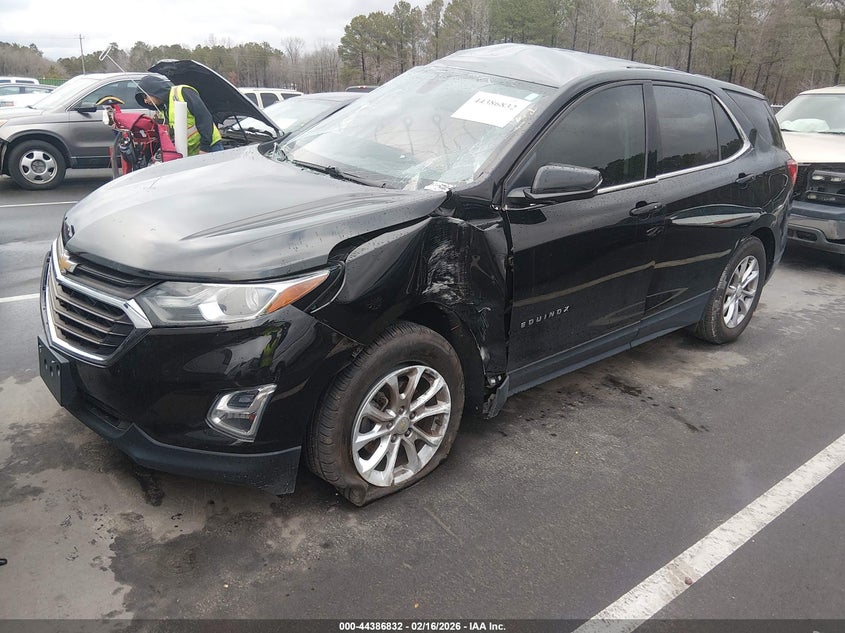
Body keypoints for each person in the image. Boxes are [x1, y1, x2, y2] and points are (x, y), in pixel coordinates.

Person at [135, 74, 224, 155]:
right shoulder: (163, 109)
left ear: (153, 90)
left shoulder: (182, 92)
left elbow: (203, 117)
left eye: (145, 96)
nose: (145, 101)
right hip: (191, 151)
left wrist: (205, 147)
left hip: (210, 147)